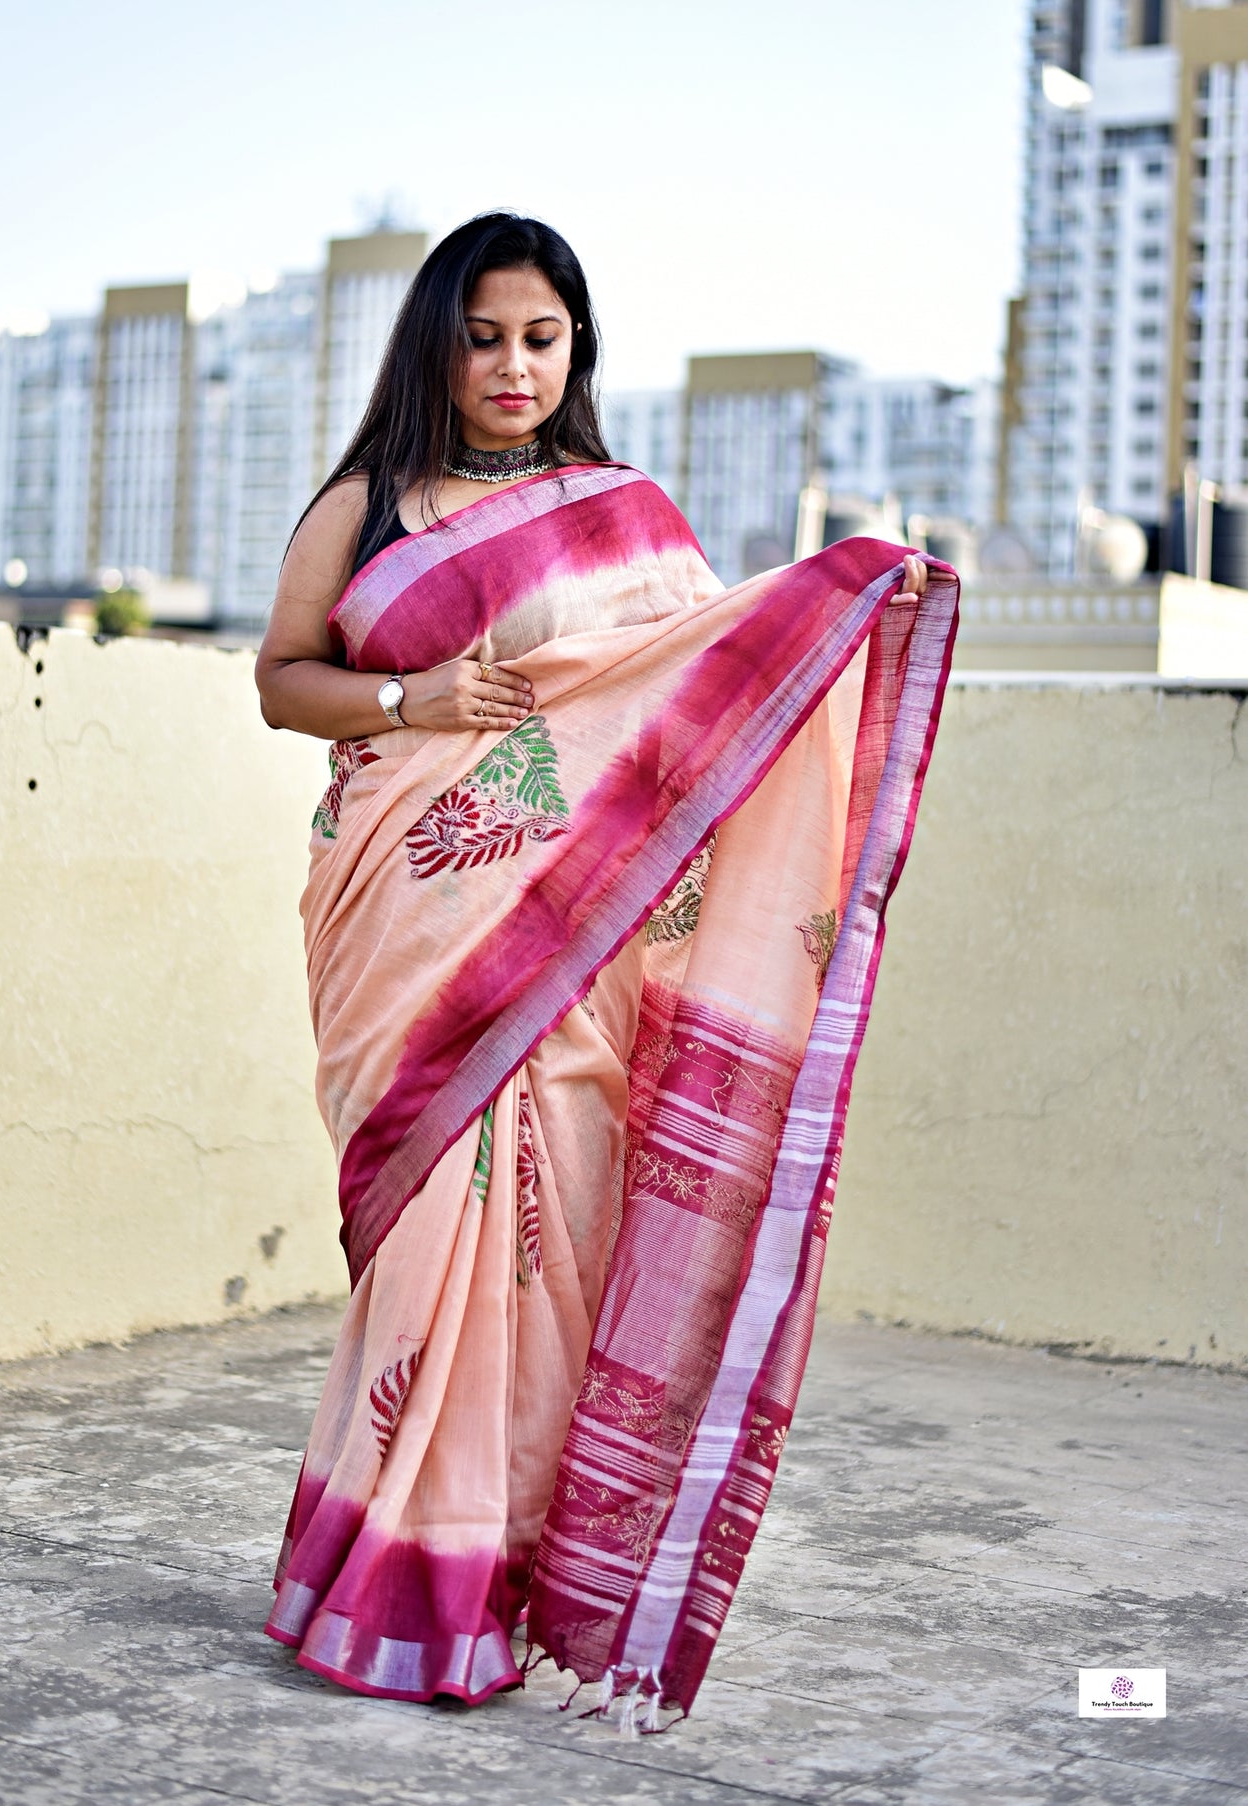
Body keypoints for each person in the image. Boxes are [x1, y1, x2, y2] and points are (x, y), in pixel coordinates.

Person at [254, 212, 954, 1724]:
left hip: (571, 954)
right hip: (408, 926)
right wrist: (413, 693)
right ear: (436, 341)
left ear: (576, 349)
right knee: (435, 1237)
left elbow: (705, 685)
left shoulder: (622, 510)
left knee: (542, 1246)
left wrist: (844, 602)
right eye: (484, 333)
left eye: (541, 337)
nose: (512, 365)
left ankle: (490, 1577)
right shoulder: (369, 504)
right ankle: (381, 1575)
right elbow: (280, 682)